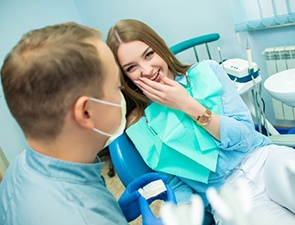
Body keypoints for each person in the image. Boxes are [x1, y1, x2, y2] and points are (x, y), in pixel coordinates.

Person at [106, 19, 295, 225]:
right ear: (125, 76)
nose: (146, 69)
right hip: (226, 195)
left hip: (263, 160)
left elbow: (245, 137)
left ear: (159, 46)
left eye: (149, 54)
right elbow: (175, 181)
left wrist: (187, 105)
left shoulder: (207, 71)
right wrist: (182, 212)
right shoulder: (139, 125)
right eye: (131, 67)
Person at [0, 22, 169, 225]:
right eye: (117, 87)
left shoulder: (19, 167)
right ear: (86, 112)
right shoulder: (82, 217)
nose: (122, 95)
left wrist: (115, 211)